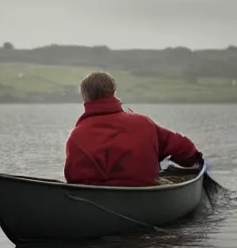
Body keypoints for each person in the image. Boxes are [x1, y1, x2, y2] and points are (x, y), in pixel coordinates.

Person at [64, 71, 203, 186]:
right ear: (113, 91)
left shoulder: (77, 135)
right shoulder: (143, 123)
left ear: (84, 96)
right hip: (145, 194)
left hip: (96, 199)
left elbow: (74, 179)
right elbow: (185, 148)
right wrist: (191, 159)